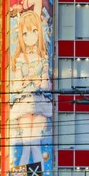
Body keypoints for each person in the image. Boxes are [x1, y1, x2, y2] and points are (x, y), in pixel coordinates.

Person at [10, 11, 52, 167]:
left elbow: (46, 85)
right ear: (21, 35)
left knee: (33, 143)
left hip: (40, 101)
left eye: (35, 31)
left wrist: (38, 80)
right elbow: (16, 85)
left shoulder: (43, 58)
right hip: (24, 101)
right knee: (28, 144)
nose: (30, 36)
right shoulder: (20, 59)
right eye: (26, 33)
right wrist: (27, 80)